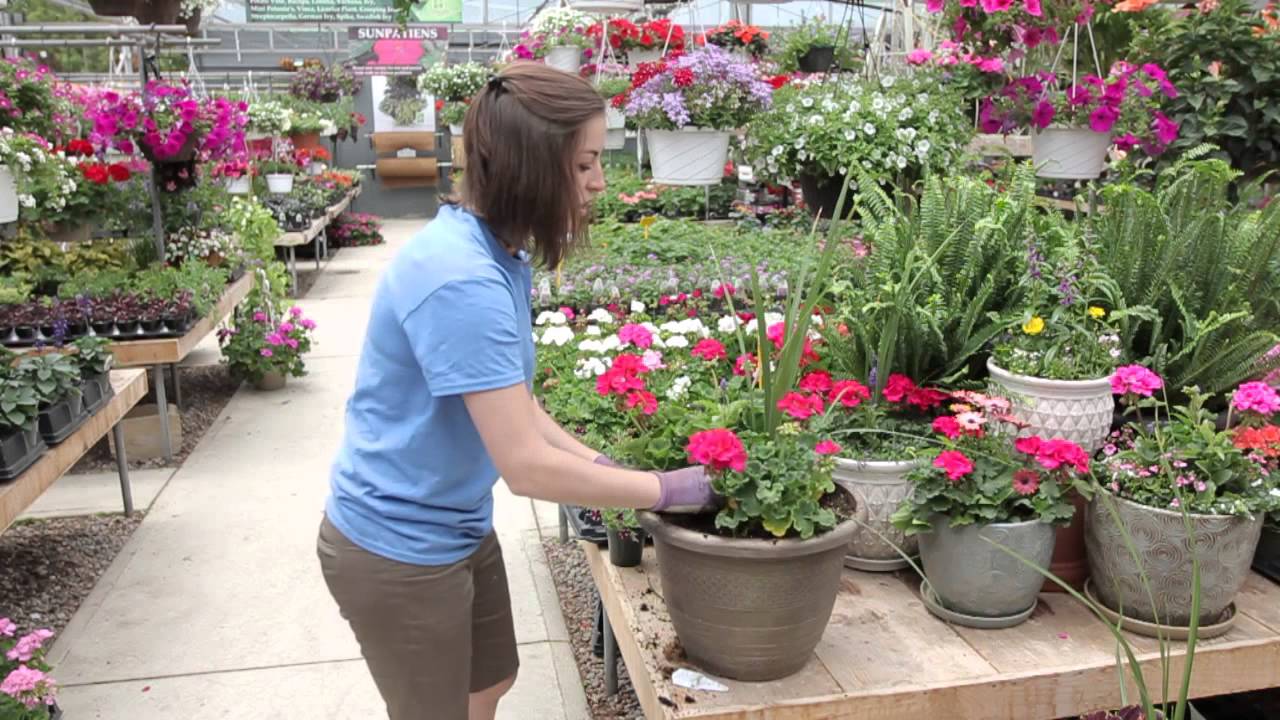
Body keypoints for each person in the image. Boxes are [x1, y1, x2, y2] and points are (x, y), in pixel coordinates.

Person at [316, 63, 718, 720]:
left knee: (490, 682)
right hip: (397, 548)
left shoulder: (501, 252)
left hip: (455, 525)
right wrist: (664, 489)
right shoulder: (462, 280)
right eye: (585, 163)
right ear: (531, 166)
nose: (598, 182)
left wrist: (600, 467)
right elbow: (525, 467)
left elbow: (516, 405)